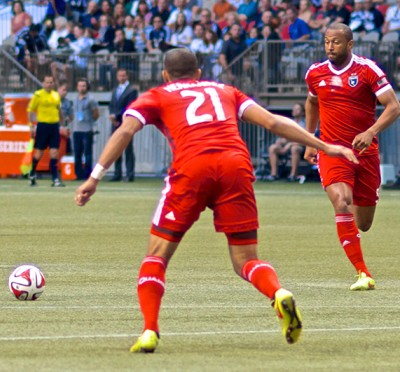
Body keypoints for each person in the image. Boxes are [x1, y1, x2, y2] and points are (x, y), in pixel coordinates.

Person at [75, 48, 359, 352]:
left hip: (192, 167)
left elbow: (125, 130)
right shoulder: (225, 90)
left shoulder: (157, 94)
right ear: (199, 73)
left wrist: (95, 176)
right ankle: (277, 293)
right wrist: (324, 146)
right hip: (236, 165)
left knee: (156, 257)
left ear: (165, 74)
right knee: (246, 260)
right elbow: (274, 123)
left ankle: (149, 331)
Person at [303, 23, 400, 291]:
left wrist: (371, 131)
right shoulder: (315, 73)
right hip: (332, 150)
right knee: (341, 201)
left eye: (335, 42)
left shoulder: (367, 70)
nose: (330, 47)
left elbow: (393, 107)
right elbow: (312, 102)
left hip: (364, 153)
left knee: (363, 223)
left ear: (350, 44)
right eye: (326, 42)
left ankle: (355, 241)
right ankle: (363, 273)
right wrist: (310, 139)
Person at [27, 75, 64, 187]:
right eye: (47, 82)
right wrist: (31, 126)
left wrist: (62, 125)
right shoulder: (38, 95)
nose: (49, 84)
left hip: (54, 126)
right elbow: (30, 110)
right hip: (43, 126)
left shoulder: (56, 95)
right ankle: (32, 173)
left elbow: (59, 110)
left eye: (51, 82)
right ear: (43, 83)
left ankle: (55, 178)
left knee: (54, 152)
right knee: (39, 153)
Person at [108, 68, 137, 182]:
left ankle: (130, 174)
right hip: (115, 123)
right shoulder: (115, 90)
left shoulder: (131, 90)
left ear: (127, 76)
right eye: (120, 76)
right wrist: (111, 115)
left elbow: (130, 106)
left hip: (126, 122)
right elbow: (111, 105)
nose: (121, 78)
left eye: (123, 76)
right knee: (116, 148)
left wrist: (117, 115)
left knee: (128, 149)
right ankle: (117, 173)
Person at [267, 103, 306, 182]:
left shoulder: (305, 123)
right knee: (273, 148)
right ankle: (274, 174)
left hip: (302, 146)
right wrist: (280, 141)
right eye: (294, 109)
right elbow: (284, 135)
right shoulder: (288, 122)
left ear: (302, 112)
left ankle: (293, 175)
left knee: (295, 149)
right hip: (287, 145)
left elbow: (305, 139)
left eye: (297, 109)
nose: (294, 111)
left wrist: (290, 144)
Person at [71, 78, 99, 180]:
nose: (82, 88)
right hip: (76, 129)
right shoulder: (75, 99)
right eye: (80, 86)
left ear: (87, 87)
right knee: (77, 153)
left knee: (87, 153)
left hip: (87, 129)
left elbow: (96, 113)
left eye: (84, 86)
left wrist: (90, 121)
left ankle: (87, 174)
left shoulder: (91, 99)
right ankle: (78, 174)